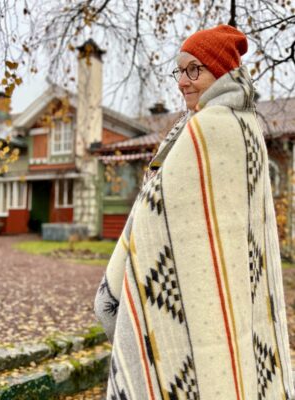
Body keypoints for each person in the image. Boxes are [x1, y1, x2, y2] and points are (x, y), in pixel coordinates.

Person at [94, 25, 294, 399]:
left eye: (194, 70)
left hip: (198, 305)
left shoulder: (206, 130)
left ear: (219, 72)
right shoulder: (248, 128)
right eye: (179, 71)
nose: (182, 82)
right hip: (217, 295)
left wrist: (120, 279)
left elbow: (155, 216)